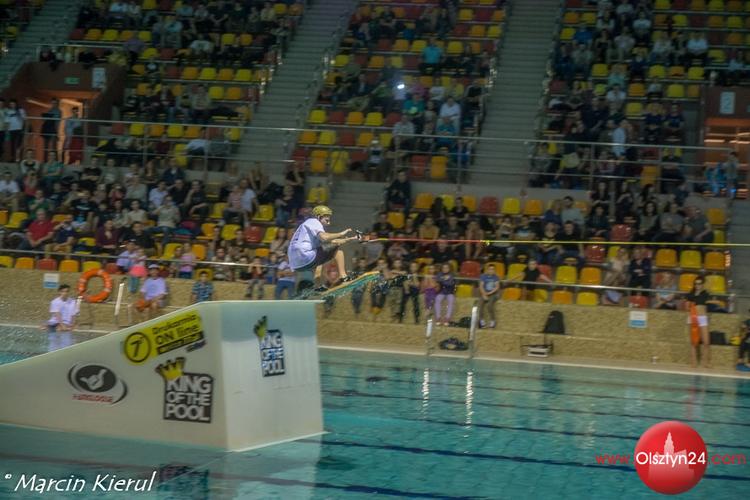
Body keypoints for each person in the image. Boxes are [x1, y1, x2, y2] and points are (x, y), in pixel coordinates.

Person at [287, 205, 360, 289]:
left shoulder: (307, 228)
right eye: (326, 217)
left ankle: (317, 285)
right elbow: (325, 237)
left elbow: (331, 242)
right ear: (319, 216)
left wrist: (350, 239)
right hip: (305, 256)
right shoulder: (314, 221)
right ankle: (343, 277)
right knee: (338, 252)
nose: (328, 221)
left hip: (296, 264)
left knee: (321, 254)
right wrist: (341, 234)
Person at [686, 278, 711, 368]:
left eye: (699, 283)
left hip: (703, 318)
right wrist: (691, 305)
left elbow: (707, 303)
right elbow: (687, 307)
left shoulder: (705, 293)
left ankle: (705, 362)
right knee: (694, 342)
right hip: (693, 318)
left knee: (706, 342)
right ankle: (694, 362)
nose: (697, 285)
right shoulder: (690, 294)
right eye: (696, 283)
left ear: (702, 284)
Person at [478, 263, 500, 328]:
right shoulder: (483, 276)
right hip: (484, 293)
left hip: (493, 294)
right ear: (487, 270)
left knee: (489, 305)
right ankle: (481, 320)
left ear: (495, 270)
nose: (491, 270)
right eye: (490, 269)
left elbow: (497, 287)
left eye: (493, 269)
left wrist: (489, 293)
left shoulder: (496, 277)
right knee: (480, 305)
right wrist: (484, 294)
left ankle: (493, 320)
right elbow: (481, 286)